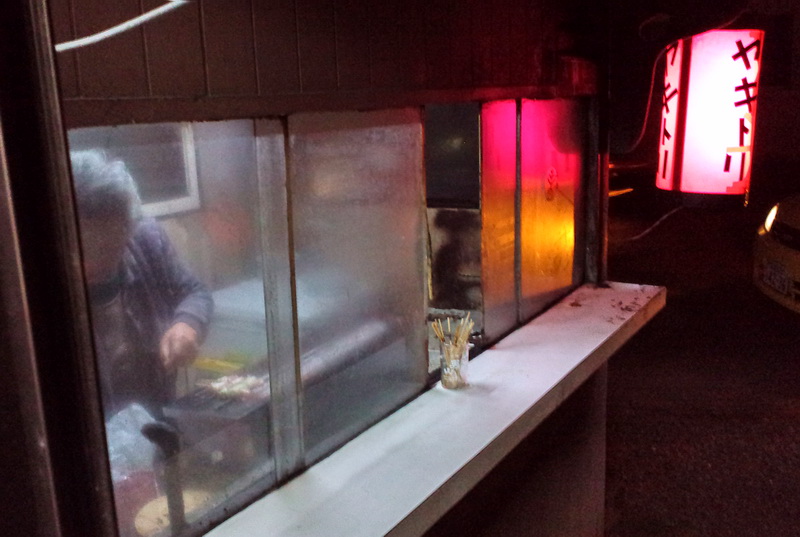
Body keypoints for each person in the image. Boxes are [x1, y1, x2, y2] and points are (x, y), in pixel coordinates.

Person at [70, 149, 213, 419]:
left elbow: (194, 291)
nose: (107, 257)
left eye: (116, 241)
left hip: (156, 411)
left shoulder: (145, 239)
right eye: (91, 246)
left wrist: (186, 324)